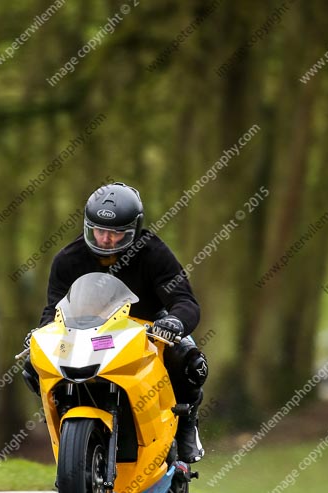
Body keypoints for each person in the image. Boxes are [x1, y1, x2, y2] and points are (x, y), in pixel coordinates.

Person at [22, 182, 208, 463]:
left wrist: (174, 322)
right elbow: (53, 310)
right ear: (87, 226)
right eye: (100, 230)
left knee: (190, 360)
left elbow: (185, 302)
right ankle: (67, 431)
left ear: (134, 230)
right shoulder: (67, 260)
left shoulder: (154, 254)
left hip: (146, 328)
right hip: (83, 331)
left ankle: (186, 425)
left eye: (116, 233)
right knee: (33, 365)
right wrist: (42, 333)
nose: (106, 239)